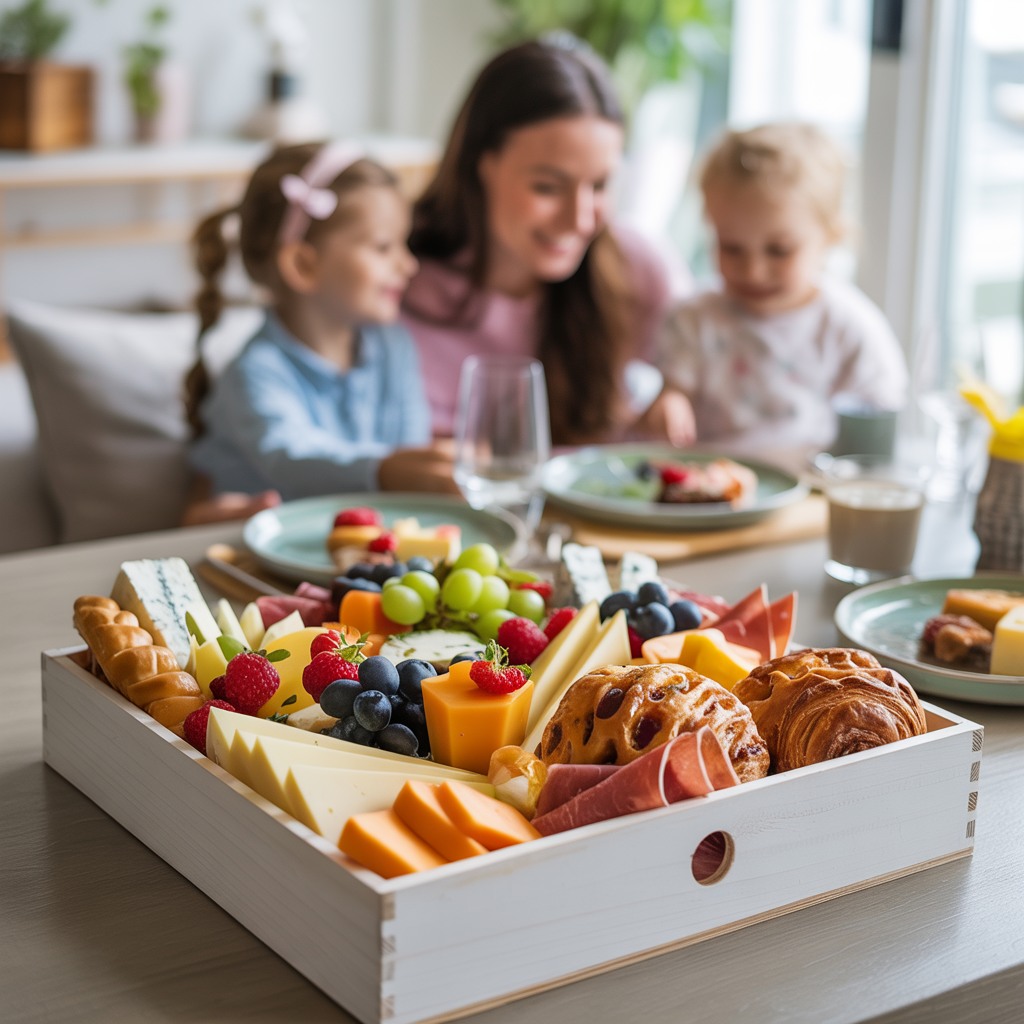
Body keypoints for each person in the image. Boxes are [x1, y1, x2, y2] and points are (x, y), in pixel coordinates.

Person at [400, 37, 694, 448]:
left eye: (600, 185)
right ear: (482, 164)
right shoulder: (394, 275)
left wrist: (671, 399)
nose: (580, 218)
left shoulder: (638, 268)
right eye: (547, 187)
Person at [182, 140, 457, 524]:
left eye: (404, 244)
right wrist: (384, 471)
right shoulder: (255, 372)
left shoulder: (395, 348)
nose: (408, 265)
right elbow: (290, 459)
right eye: (383, 247)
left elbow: (410, 453)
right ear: (303, 265)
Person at [653, 121, 908, 459]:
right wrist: (668, 405)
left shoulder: (849, 325)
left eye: (779, 250)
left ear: (831, 236)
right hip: (710, 492)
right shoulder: (694, 318)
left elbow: (879, 416)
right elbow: (672, 392)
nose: (753, 270)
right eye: (731, 247)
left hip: (811, 494)